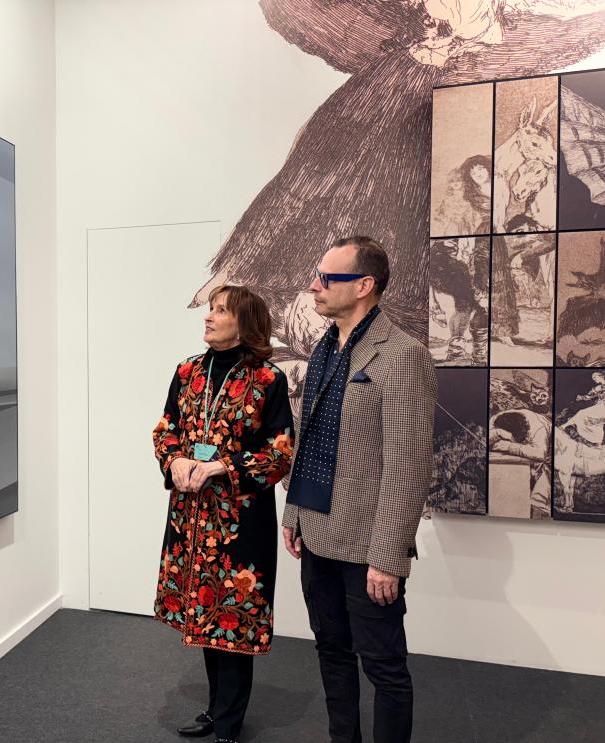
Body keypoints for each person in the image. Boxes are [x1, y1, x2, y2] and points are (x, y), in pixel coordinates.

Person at [281, 236, 437, 743]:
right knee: (331, 651)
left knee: (383, 666)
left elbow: (408, 467)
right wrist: (294, 515)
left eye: (327, 278)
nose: (314, 286)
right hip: (317, 533)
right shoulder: (324, 347)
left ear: (364, 285)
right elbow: (309, 438)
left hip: (368, 546)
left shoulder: (403, 355)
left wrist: (388, 557)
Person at [152, 285, 294, 743]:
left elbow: (280, 452)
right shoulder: (187, 371)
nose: (208, 317)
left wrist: (222, 466)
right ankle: (217, 711)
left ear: (244, 322)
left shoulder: (268, 379)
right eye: (210, 309)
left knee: (233, 619)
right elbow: (166, 429)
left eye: (220, 311)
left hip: (239, 522)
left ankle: (229, 724)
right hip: (190, 518)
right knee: (203, 613)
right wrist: (175, 459)